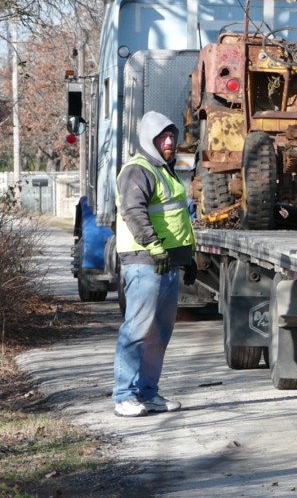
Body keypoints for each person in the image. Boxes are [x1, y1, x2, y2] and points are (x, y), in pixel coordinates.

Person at [112, 110, 197, 417]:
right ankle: (124, 395)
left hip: (167, 263)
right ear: (150, 140)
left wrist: (187, 259)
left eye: (172, 135)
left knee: (159, 333)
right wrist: (154, 247)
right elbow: (134, 213)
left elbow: (176, 217)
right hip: (145, 262)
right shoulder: (138, 170)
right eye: (163, 136)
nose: (170, 141)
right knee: (136, 330)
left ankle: (149, 393)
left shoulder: (166, 170)